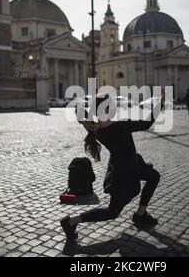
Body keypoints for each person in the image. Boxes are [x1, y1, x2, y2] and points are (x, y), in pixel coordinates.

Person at [60, 92, 164, 241]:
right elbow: (147, 123)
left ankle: (140, 214)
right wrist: (160, 103)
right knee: (112, 212)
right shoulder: (120, 125)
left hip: (127, 165)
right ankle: (70, 221)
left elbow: (79, 112)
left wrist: (83, 121)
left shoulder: (97, 129)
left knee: (153, 176)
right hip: (122, 173)